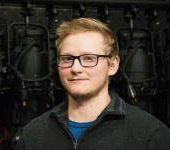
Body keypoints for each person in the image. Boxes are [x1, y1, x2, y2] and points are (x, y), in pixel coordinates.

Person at [15, 18, 170, 150]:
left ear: (113, 65)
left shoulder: (150, 134)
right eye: (67, 59)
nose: (75, 68)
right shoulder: (33, 134)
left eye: (89, 58)